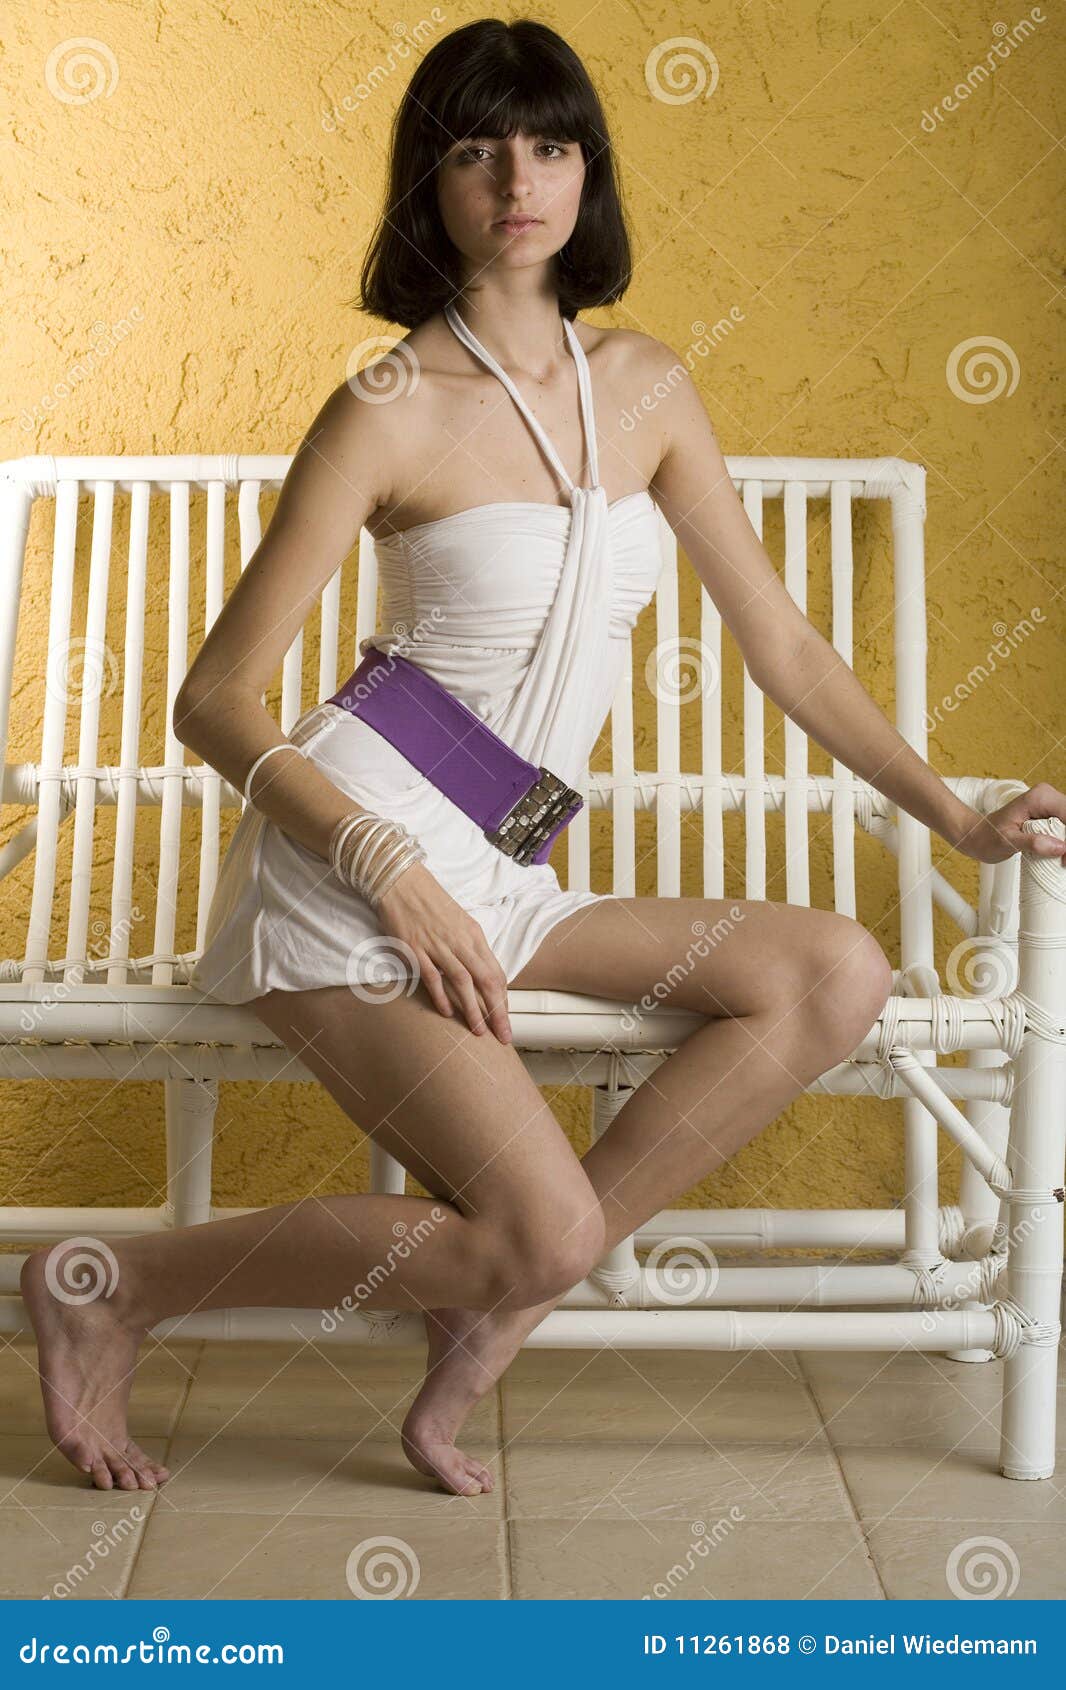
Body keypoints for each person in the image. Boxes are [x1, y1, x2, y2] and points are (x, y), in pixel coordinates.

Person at [19, 17, 1066, 1499]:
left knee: (833, 970)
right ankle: (111, 1285)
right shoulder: (385, 407)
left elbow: (783, 648)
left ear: (588, 174)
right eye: (476, 150)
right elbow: (216, 701)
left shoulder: (644, 386)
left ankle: (501, 1292)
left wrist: (955, 816)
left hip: (503, 867)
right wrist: (387, 867)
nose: (518, 181)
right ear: (430, 182)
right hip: (353, 871)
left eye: (551, 146)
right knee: (545, 1221)